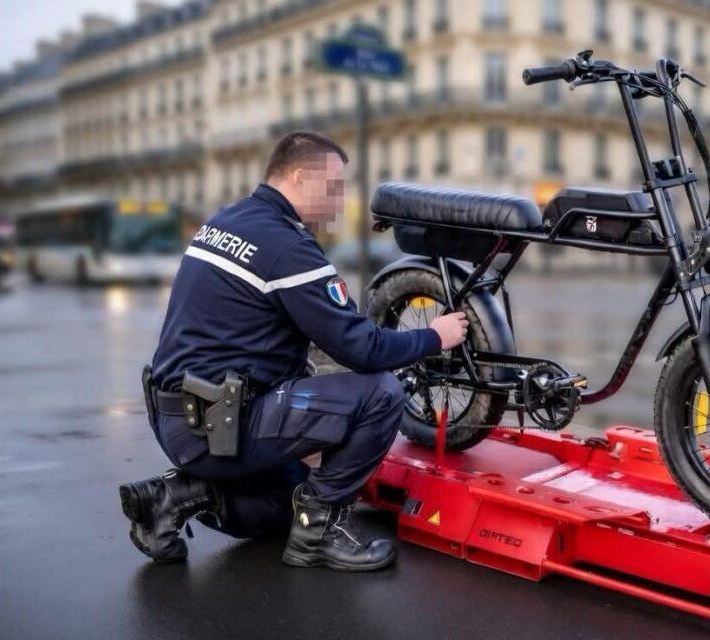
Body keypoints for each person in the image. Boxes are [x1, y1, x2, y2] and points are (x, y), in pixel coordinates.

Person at [118, 131, 468, 571]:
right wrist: (435, 337)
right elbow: (361, 348)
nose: (339, 203)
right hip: (221, 426)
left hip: (181, 421)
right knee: (380, 393)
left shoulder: (227, 221)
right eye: (334, 188)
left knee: (289, 498)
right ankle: (317, 537)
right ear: (301, 177)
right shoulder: (286, 247)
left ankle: (170, 498)